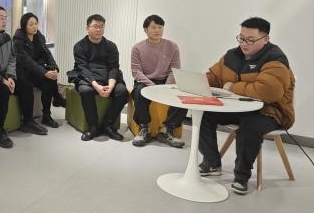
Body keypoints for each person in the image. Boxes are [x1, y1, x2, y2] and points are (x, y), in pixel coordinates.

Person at [198, 17, 295, 195]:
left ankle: (241, 177)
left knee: (250, 126)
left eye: (250, 40)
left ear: (265, 39)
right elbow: (215, 76)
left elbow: (269, 91)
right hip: (239, 107)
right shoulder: (232, 55)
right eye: (241, 38)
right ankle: (211, 163)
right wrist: (201, 81)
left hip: (271, 112)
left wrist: (233, 88)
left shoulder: (276, 60)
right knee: (203, 113)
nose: (244, 43)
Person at [0, 6, 47, 148]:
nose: (4, 21)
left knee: (25, 85)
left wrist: (10, 76)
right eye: (1, 18)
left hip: (3, 76)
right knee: (2, 90)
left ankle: (28, 121)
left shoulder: (7, 38)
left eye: (5, 18)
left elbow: (12, 59)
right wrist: (1, 79)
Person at [67, 14, 128, 141]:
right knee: (85, 90)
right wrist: (96, 85)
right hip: (87, 78)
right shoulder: (79, 46)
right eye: (95, 26)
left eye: (101, 26)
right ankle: (93, 127)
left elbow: (114, 67)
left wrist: (111, 85)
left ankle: (107, 125)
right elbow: (82, 68)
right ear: (87, 28)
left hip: (107, 77)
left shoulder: (111, 46)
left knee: (122, 91)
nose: (99, 29)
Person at [130, 14, 186, 148]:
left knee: (183, 94)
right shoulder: (137, 48)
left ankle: (167, 129)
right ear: (145, 30)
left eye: (160, 27)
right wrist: (152, 86)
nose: (157, 30)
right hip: (145, 81)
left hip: (166, 81)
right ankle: (144, 128)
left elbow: (174, 70)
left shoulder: (172, 46)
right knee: (138, 92)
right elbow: (136, 72)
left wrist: (165, 87)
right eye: (153, 27)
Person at [13, 12, 65, 129]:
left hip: (35, 71)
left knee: (49, 82)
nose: (34, 27)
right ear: (24, 26)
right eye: (31, 24)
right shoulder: (18, 39)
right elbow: (26, 61)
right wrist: (44, 72)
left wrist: (54, 68)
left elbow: (47, 53)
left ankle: (46, 116)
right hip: (22, 72)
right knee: (28, 86)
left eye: (36, 23)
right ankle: (28, 121)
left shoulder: (39, 37)